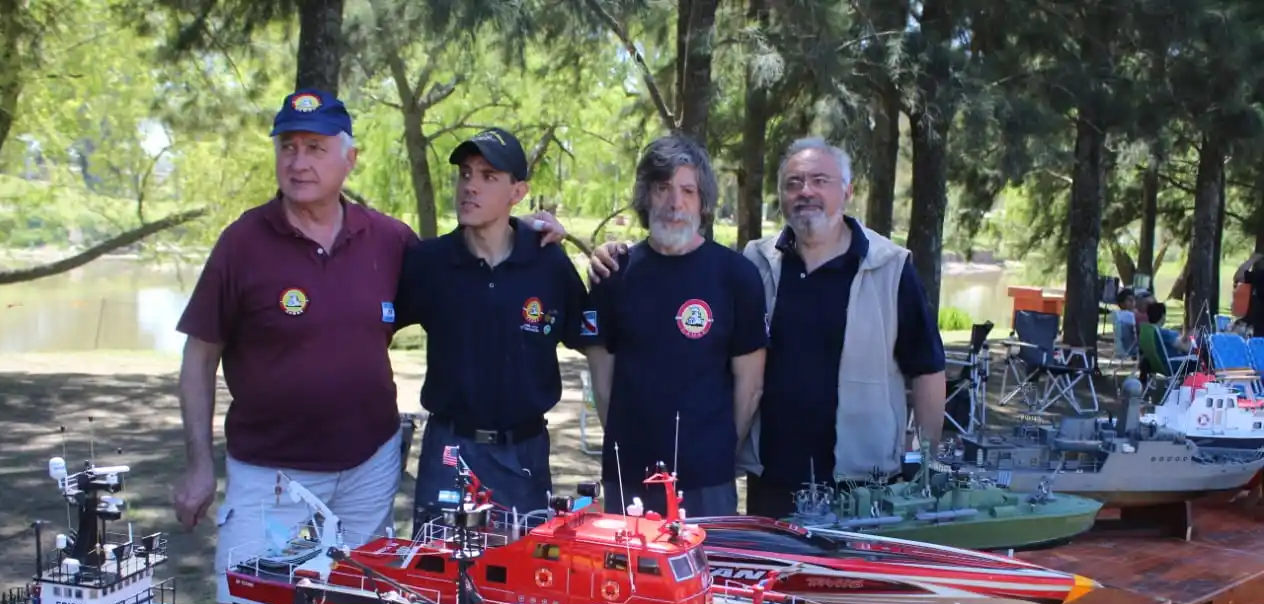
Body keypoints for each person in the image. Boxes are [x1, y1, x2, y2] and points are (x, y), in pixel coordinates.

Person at [172, 94, 564, 604]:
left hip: (367, 469)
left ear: (349, 159)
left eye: (315, 148)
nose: (298, 162)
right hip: (272, 471)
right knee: (241, 603)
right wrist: (197, 465)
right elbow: (199, 355)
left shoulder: (388, 241)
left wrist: (519, 229)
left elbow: (469, 259)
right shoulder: (244, 243)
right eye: (288, 147)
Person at [591, 137, 945, 519]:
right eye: (794, 183)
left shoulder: (889, 268)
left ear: (848, 191)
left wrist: (920, 462)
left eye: (820, 180)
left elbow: (927, 369)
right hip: (772, 478)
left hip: (863, 482)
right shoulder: (757, 262)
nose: (805, 191)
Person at [395, 128, 594, 528]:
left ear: (517, 192)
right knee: (435, 564)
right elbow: (371, 329)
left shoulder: (548, 264)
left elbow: (595, 342)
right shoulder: (429, 263)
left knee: (519, 566)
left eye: (488, 176)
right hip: (448, 450)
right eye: (465, 174)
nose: (470, 186)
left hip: (523, 455)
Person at [582, 134, 767, 517]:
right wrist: (628, 444)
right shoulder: (613, 274)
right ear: (645, 196)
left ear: (703, 202)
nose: (675, 203)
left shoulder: (737, 277)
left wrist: (718, 452)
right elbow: (602, 383)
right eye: (662, 188)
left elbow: (750, 387)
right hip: (627, 476)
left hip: (708, 482)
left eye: (688, 190)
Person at [1113, 286, 1138, 356]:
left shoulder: (1118, 315)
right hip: (1131, 348)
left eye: (1133, 300)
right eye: (1129, 300)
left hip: (1120, 348)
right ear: (1121, 303)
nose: (1132, 302)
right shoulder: (1129, 316)